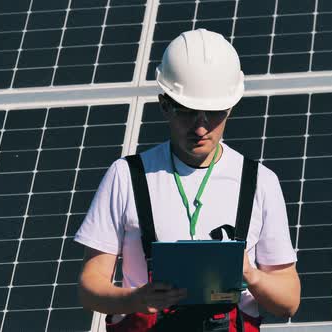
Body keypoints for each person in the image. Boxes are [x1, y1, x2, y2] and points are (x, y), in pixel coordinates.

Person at [74, 29, 300, 331]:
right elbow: (90, 284)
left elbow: (289, 300)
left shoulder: (260, 182)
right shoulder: (127, 176)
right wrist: (135, 300)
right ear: (164, 104)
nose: (201, 126)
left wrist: (250, 274)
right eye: (188, 111)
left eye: (214, 113)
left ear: (231, 107)